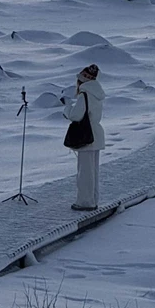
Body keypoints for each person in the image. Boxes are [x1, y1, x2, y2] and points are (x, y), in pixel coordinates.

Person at [63, 63, 104, 210]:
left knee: (85, 172)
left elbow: (76, 115)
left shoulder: (84, 94)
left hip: (86, 136)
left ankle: (85, 202)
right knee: (93, 171)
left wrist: (67, 107)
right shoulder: (97, 93)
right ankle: (93, 199)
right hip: (96, 134)